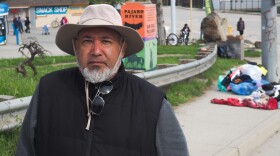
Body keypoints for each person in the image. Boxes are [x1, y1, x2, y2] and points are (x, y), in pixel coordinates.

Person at [16, 4, 189, 156]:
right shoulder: (48, 90)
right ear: (76, 47)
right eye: (87, 41)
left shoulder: (153, 104)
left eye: (106, 41)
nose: (96, 50)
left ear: (122, 48)